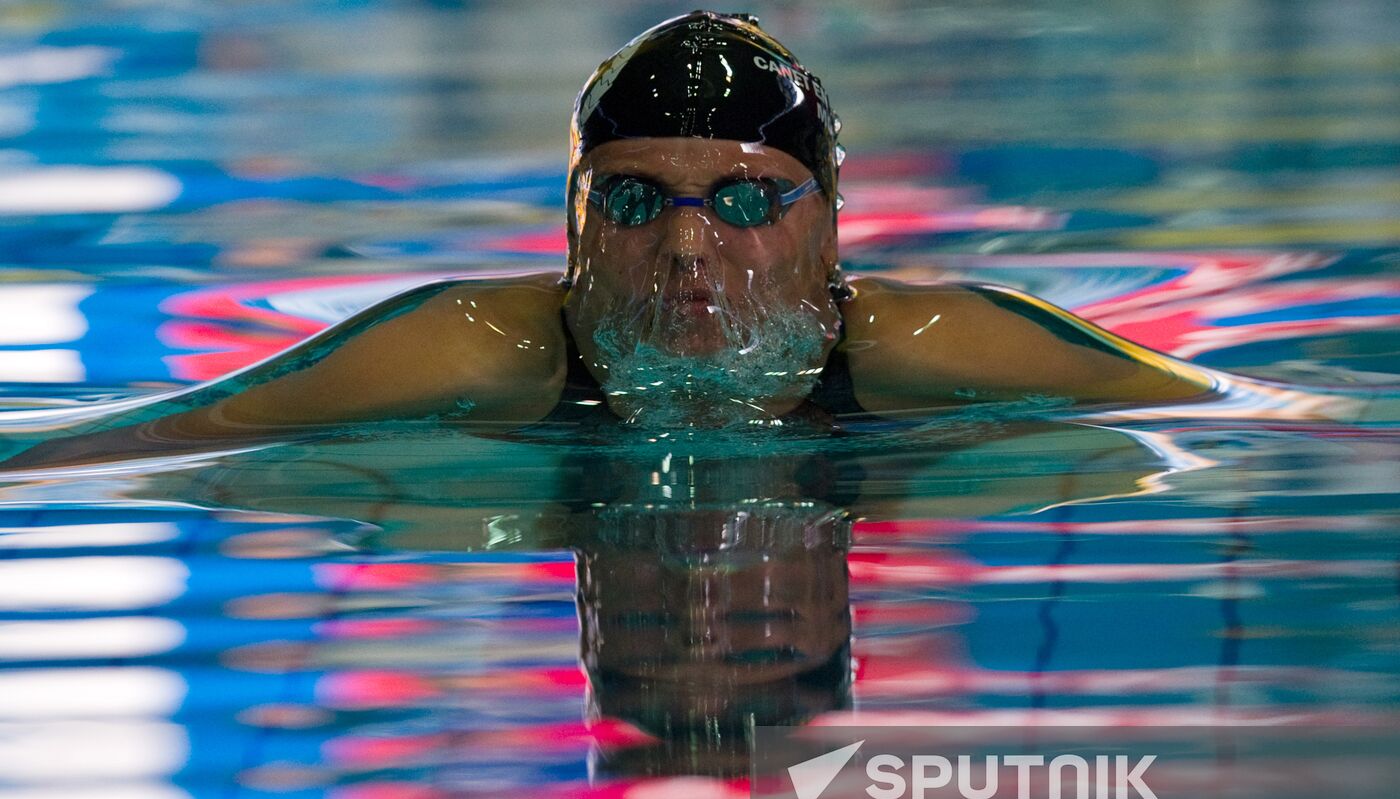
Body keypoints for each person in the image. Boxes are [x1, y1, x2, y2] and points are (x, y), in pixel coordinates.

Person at [2, 11, 1217, 468]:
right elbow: (151, 441)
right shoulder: (472, 347)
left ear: (829, 231)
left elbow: (1235, 410)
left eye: (743, 201)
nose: (689, 251)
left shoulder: (928, 340)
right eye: (635, 201)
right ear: (574, 230)